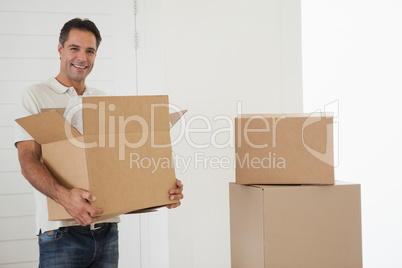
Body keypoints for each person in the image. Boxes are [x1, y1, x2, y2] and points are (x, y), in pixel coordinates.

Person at [14, 18, 184, 268]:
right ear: (60, 49)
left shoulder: (103, 101)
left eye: (90, 51)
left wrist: (161, 187)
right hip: (61, 234)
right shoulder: (35, 95)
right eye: (74, 48)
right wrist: (65, 198)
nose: (82, 57)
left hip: (107, 231)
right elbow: (27, 161)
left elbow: (124, 161)